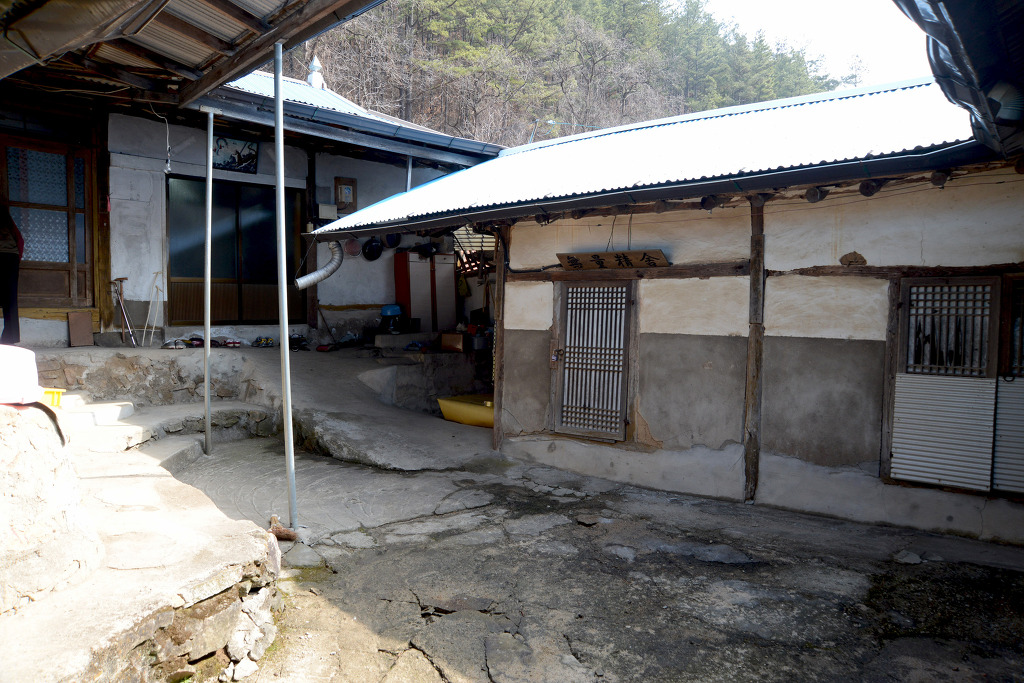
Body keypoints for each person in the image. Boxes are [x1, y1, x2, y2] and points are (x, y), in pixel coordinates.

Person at [0, 205, 24, 344]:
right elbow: (20, 240)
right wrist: (16, 259)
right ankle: (10, 338)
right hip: (11, 258)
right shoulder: (8, 222)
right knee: (10, 299)